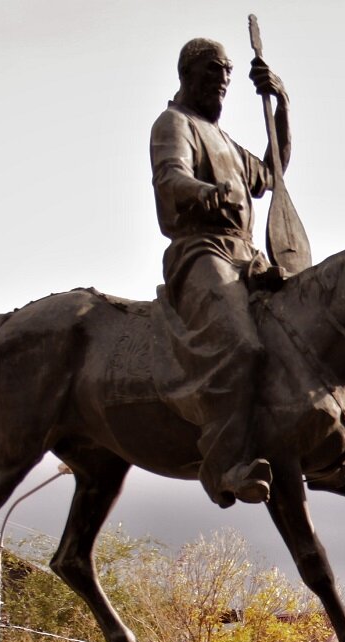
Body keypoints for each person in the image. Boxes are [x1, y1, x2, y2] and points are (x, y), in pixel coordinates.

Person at [149, 37, 292, 509]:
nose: (223, 81)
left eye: (228, 73)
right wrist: (202, 192)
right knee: (241, 345)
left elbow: (270, 174)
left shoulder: (225, 140)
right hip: (201, 252)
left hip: (247, 258)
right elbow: (170, 177)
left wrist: (282, 105)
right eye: (214, 71)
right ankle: (227, 464)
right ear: (188, 73)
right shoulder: (174, 123)